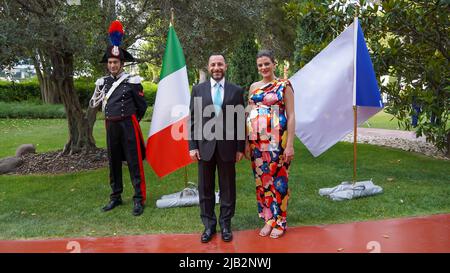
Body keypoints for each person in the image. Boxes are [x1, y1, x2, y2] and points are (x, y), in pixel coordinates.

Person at [90, 20, 148, 216]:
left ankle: (139, 198)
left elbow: (142, 107)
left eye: (116, 62)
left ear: (122, 64)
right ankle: (115, 196)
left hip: (128, 125)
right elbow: (98, 105)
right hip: (111, 126)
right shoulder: (103, 83)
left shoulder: (132, 82)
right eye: (110, 62)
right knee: (113, 162)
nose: (112, 65)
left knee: (134, 161)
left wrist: (131, 120)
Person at [189, 54, 245, 243]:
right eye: (213, 64)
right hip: (204, 147)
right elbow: (194, 119)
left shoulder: (236, 91)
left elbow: (239, 122)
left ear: (225, 66)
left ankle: (226, 225)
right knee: (205, 188)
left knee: (228, 188)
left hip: (228, 147)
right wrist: (192, 146)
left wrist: (240, 148)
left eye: (220, 64)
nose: (216, 67)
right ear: (208, 67)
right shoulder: (198, 90)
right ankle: (209, 226)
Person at [245, 50, 295, 239]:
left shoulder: (284, 85)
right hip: (257, 143)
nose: (264, 67)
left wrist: (290, 144)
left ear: (274, 64)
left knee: (278, 180)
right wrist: (245, 142)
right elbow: (248, 113)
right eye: (260, 65)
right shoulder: (254, 87)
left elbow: (291, 116)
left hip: (278, 142)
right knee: (263, 181)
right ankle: (268, 219)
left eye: (267, 63)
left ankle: (280, 220)